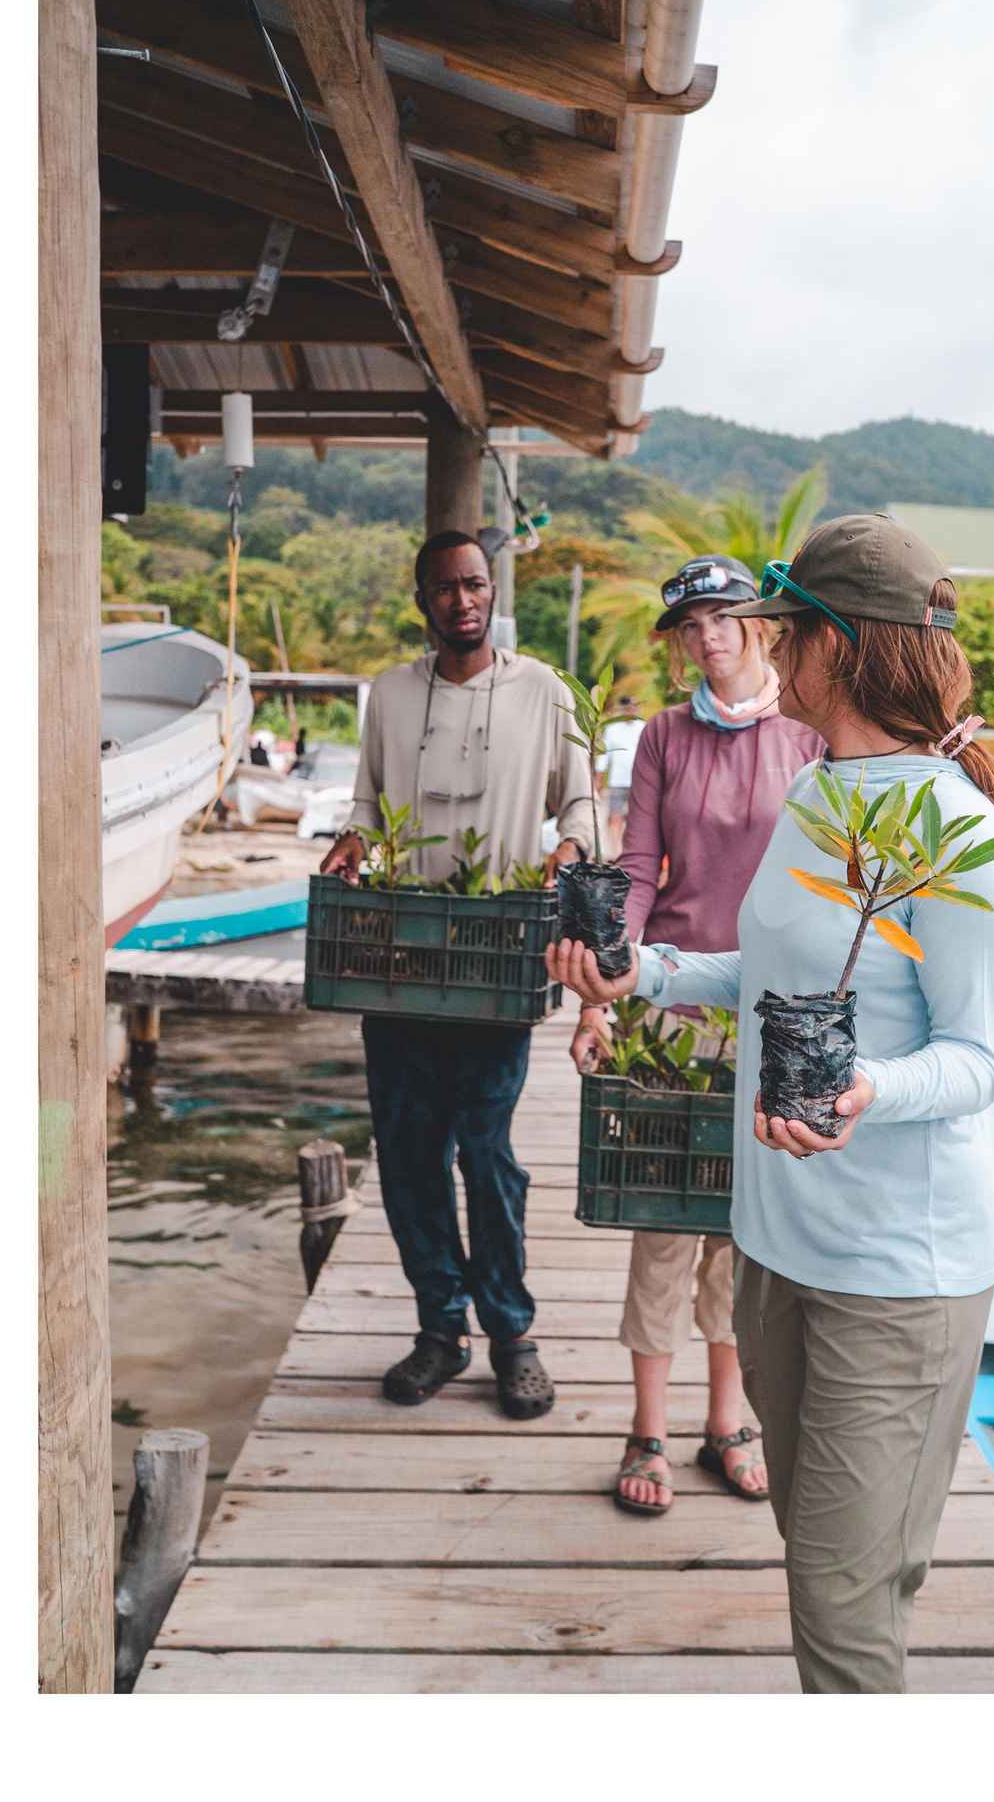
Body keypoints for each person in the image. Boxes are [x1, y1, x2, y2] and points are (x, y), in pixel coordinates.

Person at [549, 514, 994, 1691]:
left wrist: (866, 1086)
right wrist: (648, 972)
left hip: (897, 1274)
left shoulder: (954, 834)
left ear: (842, 646)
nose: (767, 645)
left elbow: (977, 1061)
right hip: (778, 1245)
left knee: (840, 1605)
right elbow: (765, 970)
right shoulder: (824, 791)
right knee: (837, 1566)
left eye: (788, 626)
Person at [321, 532, 602, 1419]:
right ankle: (439, 1329)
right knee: (408, 1157)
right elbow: (366, 797)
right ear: (423, 600)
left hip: (497, 955)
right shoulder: (391, 694)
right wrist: (354, 837)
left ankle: (512, 1333)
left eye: (474, 583)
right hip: (400, 956)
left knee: (487, 1156)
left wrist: (568, 848)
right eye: (444, 587)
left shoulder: (543, 690)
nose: (461, 600)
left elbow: (582, 798)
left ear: (494, 592)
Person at [574, 554, 824, 1519]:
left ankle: (728, 1421)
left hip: (769, 1006)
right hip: (673, 1006)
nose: (710, 635)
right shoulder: (663, 737)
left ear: (758, 627)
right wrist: (602, 989)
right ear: (679, 641)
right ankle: (645, 1428)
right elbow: (638, 870)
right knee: (662, 1217)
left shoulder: (806, 735)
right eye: (692, 624)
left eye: (725, 618)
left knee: (742, 1228)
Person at [599, 695, 647, 836]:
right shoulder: (612, 728)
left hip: (639, 781)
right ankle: (615, 852)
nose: (631, 710)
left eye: (634, 707)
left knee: (637, 817)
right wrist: (599, 778)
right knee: (615, 815)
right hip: (617, 781)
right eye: (628, 708)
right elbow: (604, 755)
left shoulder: (643, 727)